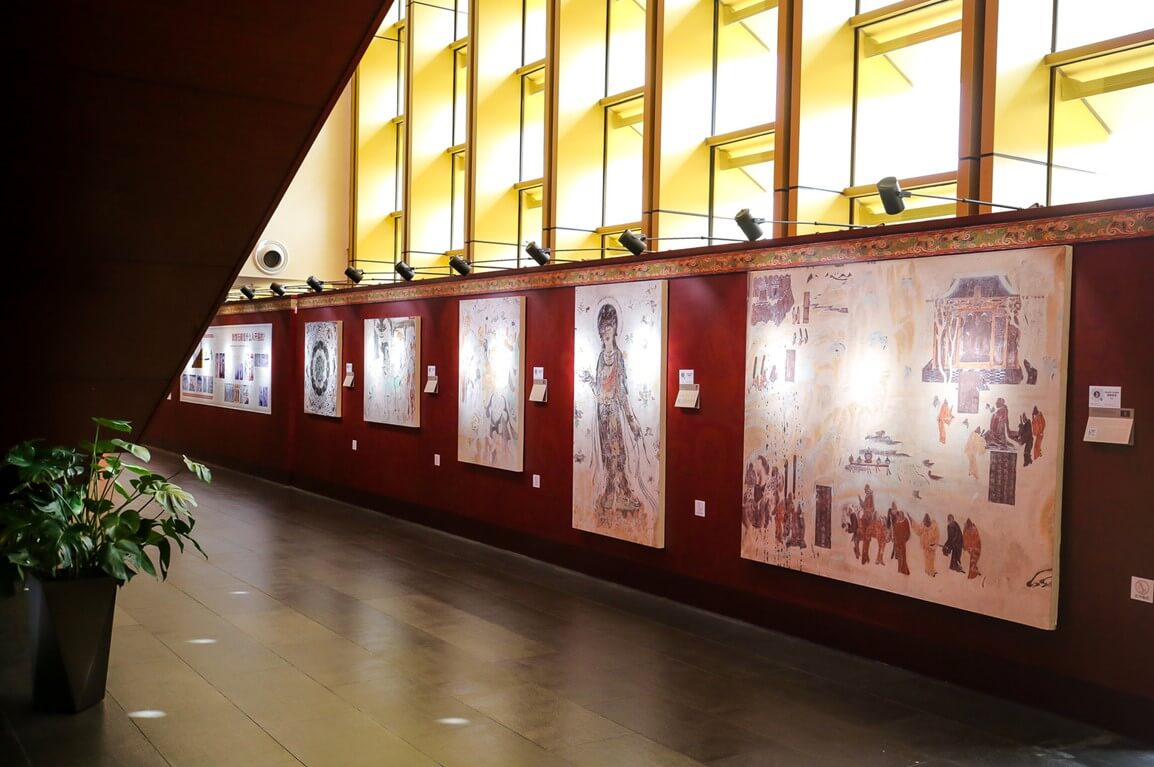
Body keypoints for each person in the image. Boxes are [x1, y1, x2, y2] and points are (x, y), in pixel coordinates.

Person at [581, 303, 646, 517]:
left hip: (614, 413)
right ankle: (610, 494)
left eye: (610, 325)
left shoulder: (618, 357)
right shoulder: (601, 358)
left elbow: (622, 391)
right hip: (602, 412)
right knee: (607, 453)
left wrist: (631, 419)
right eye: (603, 326)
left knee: (619, 453)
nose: (606, 330)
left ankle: (623, 492)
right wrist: (591, 382)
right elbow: (600, 390)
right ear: (599, 330)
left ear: (615, 328)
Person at [889, 503, 911, 576]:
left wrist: (905, 539)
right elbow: (894, 532)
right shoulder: (896, 523)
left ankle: (905, 570)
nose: (900, 517)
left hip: (902, 542)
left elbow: (908, 533)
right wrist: (894, 539)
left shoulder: (905, 521)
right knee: (899, 556)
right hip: (897, 542)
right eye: (899, 515)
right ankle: (900, 570)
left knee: (903, 556)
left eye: (901, 515)